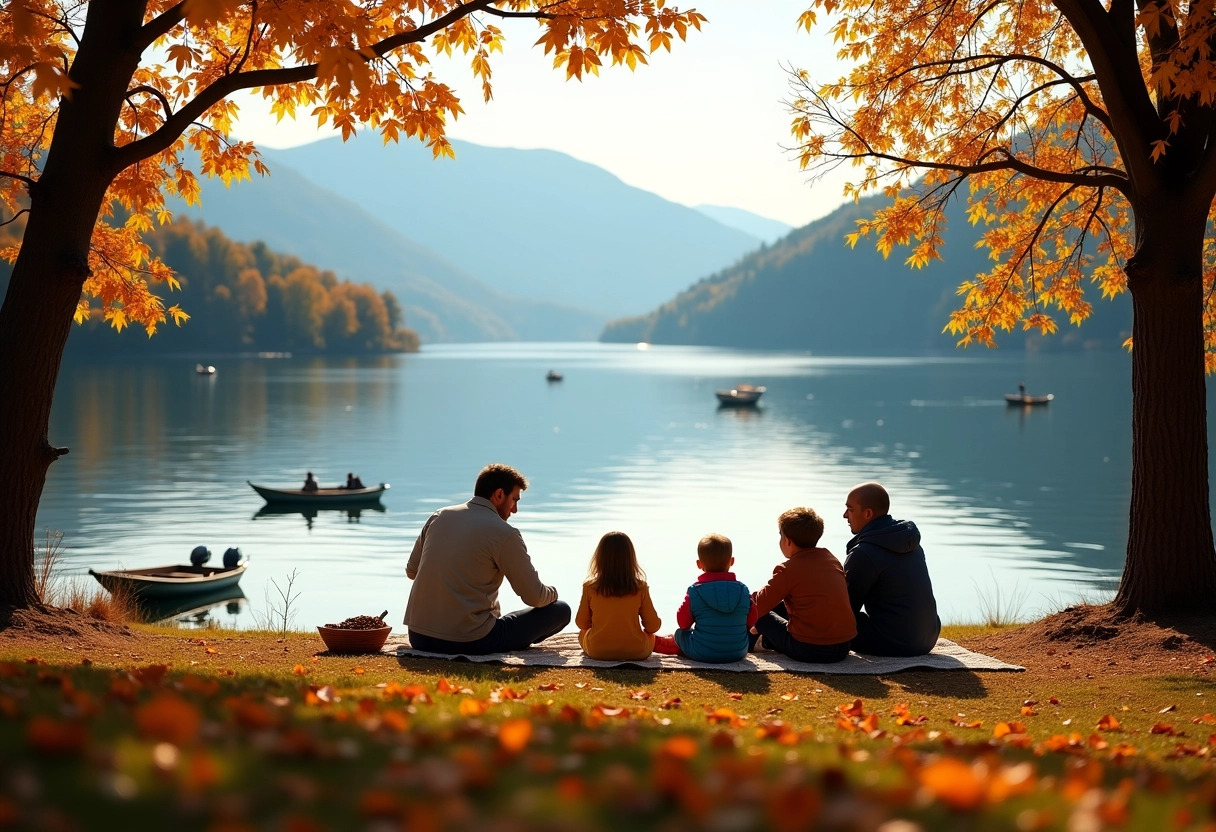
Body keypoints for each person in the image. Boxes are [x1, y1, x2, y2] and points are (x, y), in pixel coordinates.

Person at [404, 463, 571, 654]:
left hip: (419, 636)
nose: (515, 510)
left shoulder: (439, 516)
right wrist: (553, 593)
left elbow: (412, 572)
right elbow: (534, 597)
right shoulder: (505, 533)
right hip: (471, 641)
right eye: (514, 500)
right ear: (499, 495)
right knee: (560, 610)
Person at [842, 482, 941, 656]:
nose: (844, 515)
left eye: (849, 509)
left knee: (825, 616)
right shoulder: (911, 543)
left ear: (868, 514)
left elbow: (843, 608)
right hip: (928, 638)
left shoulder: (864, 553)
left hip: (894, 643)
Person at [749, 507, 856, 662]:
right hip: (843, 647)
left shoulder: (788, 570)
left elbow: (757, 607)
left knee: (752, 609)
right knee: (785, 605)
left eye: (780, 535)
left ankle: (745, 644)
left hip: (808, 649)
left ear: (788, 541)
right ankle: (764, 641)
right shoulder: (831, 560)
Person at [655, 533, 757, 663]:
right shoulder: (743, 590)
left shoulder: (695, 591)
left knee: (680, 633)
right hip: (739, 652)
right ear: (732, 561)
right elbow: (752, 620)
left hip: (702, 653)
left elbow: (683, 623)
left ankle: (670, 645)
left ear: (699, 564)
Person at [575, 531, 662, 661]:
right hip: (636, 651)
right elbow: (653, 626)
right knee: (651, 635)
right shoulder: (640, 588)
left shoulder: (590, 587)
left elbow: (582, 623)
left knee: (582, 634)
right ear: (630, 559)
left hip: (598, 651)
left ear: (599, 558)